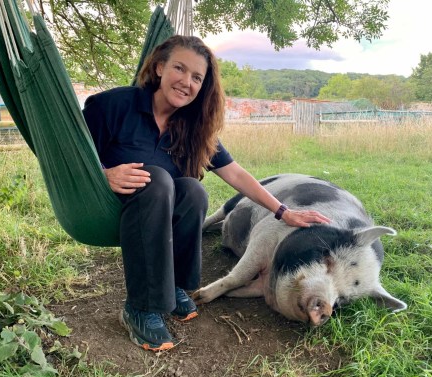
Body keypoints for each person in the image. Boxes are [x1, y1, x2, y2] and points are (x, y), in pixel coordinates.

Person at [83, 35, 330, 352]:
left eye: (196, 77)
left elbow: (236, 173)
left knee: (192, 190)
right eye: (179, 69)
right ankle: (141, 308)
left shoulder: (192, 126)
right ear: (159, 68)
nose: (186, 82)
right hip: (107, 206)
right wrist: (104, 175)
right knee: (157, 178)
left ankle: (174, 286)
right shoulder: (114, 105)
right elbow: (69, 155)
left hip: (157, 213)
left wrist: (283, 211)